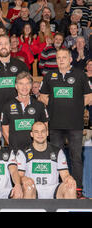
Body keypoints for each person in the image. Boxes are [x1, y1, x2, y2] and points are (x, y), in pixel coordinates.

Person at [38, 48, 92, 196]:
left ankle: (78, 189)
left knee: (76, 157)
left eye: (64, 57)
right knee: (56, 157)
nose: (61, 60)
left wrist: (76, 106)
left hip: (75, 124)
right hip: (55, 124)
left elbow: (89, 96)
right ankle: (57, 188)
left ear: (70, 59)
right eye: (58, 57)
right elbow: (42, 96)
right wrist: (54, 104)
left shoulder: (80, 75)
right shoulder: (50, 76)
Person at [15, 122, 77, 199]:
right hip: (33, 189)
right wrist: (24, 179)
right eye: (36, 132)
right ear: (31, 134)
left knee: (70, 186)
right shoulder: (23, 153)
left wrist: (69, 179)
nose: (40, 134)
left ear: (47, 133)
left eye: (43, 131)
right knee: (28, 187)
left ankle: (69, 211)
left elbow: (65, 175)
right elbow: (19, 176)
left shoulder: (57, 152)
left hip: (54, 189)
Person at [1, 72, 48, 151]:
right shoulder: (7, 106)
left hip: (35, 151)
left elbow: (45, 128)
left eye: (27, 84)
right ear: (16, 86)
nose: (24, 87)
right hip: (15, 150)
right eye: (21, 84)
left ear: (31, 86)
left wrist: (39, 147)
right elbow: (5, 131)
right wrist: (14, 148)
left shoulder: (39, 105)